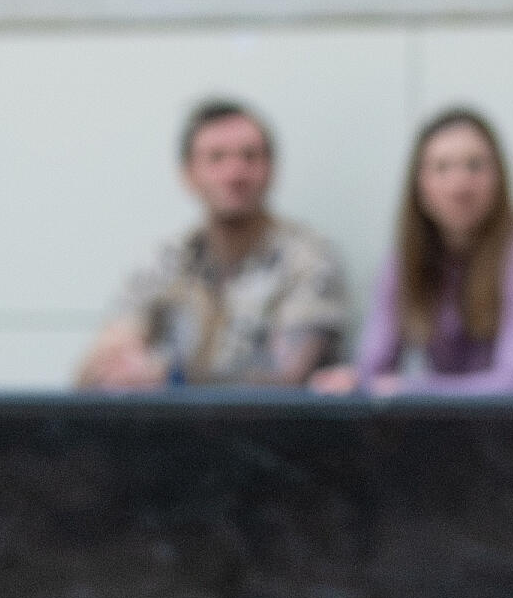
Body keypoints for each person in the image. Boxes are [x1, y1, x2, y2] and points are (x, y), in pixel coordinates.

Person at [78, 101, 349, 391]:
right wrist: (119, 364)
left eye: (250, 156)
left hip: (266, 422)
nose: (235, 173)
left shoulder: (307, 260)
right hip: (168, 421)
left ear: (271, 169)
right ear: (188, 174)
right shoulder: (168, 259)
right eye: (216, 158)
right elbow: (95, 369)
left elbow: (287, 378)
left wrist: (170, 378)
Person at [316, 108, 513, 397]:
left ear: (498, 179)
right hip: (439, 420)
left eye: (475, 166)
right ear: (420, 185)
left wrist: (413, 389)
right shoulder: (405, 255)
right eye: (442, 168)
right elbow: (374, 365)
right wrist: (353, 380)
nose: (459, 185)